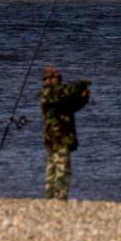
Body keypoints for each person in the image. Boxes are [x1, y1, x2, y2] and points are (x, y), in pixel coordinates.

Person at [40, 66, 90, 200]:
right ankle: (59, 198)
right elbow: (65, 91)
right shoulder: (48, 93)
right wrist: (80, 84)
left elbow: (72, 107)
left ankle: (50, 199)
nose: (60, 80)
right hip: (57, 139)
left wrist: (84, 98)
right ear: (49, 80)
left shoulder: (57, 96)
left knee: (53, 169)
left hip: (59, 139)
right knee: (61, 170)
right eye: (58, 78)